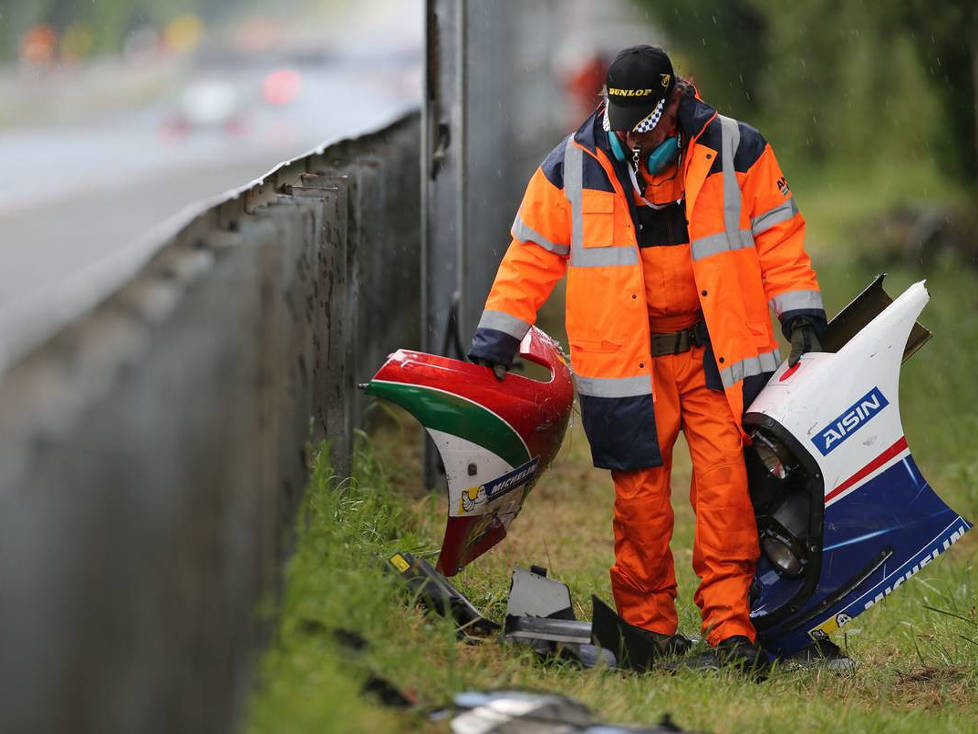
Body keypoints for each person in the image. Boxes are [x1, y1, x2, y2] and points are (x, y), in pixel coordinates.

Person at [468, 45, 826, 670]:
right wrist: (498, 334)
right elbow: (530, 254)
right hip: (630, 366)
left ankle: (732, 632)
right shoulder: (572, 165)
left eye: (645, 125)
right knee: (639, 503)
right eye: (621, 123)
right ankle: (647, 631)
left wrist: (802, 313)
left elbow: (778, 231)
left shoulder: (737, 149)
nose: (633, 139)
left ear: (674, 105)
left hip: (718, 356)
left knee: (729, 496)